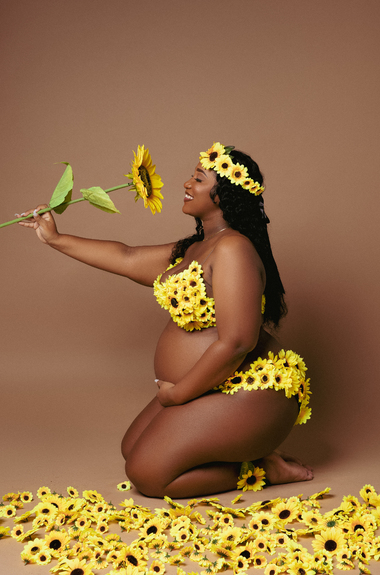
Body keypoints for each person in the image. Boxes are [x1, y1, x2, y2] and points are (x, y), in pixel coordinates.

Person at [18, 142, 313, 499]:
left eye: (198, 179)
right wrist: (55, 239)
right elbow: (127, 257)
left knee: (147, 475)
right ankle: (254, 460)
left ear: (224, 194)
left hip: (253, 390)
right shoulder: (194, 248)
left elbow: (238, 342)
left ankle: (263, 470)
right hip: (213, 384)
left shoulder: (233, 249)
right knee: (131, 448)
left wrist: (179, 393)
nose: (187, 184)